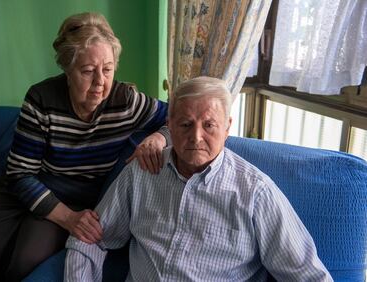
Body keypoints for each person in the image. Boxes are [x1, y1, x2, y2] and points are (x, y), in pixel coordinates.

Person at [0, 12, 169, 281]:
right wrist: (70, 220)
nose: (99, 82)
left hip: (74, 198)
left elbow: (177, 116)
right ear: (67, 70)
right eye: (87, 71)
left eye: (107, 69)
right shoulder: (41, 98)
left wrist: (159, 137)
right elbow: (20, 175)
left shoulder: (125, 100)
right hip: (21, 188)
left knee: (24, 261)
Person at [64, 76, 333, 281]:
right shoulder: (142, 172)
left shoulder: (256, 193)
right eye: (185, 124)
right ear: (169, 124)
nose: (196, 137)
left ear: (227, 127)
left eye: (209, 125)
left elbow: (308, 274)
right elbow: (88, 238)